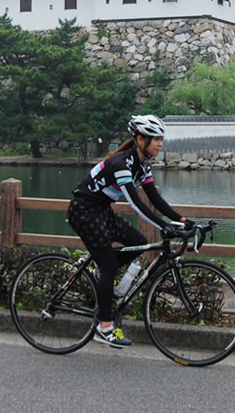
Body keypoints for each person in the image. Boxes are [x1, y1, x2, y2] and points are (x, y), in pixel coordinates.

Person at [68, 114, 193, 348]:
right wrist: (163, 225)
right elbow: (136, 204)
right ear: (139, 139)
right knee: (110, 266)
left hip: (101, 209)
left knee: (138, 240)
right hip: (83, 210)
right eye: (155, 139)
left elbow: (154, 197)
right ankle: (103, 327)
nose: (160, 144)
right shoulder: (121, 163)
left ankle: (101, 272)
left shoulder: (141, 164)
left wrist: (182, 220)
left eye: (161, 139)